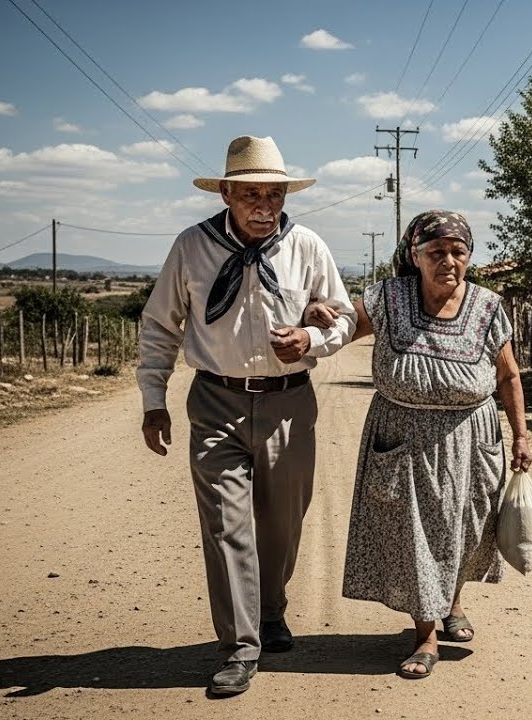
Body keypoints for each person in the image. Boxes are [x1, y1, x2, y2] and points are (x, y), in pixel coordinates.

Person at [136, 135, 356, 696]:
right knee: (227, 526)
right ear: (228, 194)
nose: (265, 206)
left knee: (282, 523)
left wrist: (310, 337)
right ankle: (239, 646)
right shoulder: (191, 246)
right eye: (252, 194)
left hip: (289, 403)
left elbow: (345, 317)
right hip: (216, 402)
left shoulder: (306, 244)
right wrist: (153, 400)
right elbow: (161, 326)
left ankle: (272, 610)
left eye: (274, 195)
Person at [302, 209, 532, 680]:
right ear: (415, 256)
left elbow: (508, 374)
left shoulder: (488, 306)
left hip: (472, 437)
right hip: (402, 436)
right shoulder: (388, 298)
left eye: (458, 252)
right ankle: (424, 633)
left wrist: (521, 434)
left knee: (464, 531)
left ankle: (452, 603)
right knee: (413, 535)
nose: (449, 260)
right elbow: (343, 329)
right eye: (437, 252)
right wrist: (313, 317)